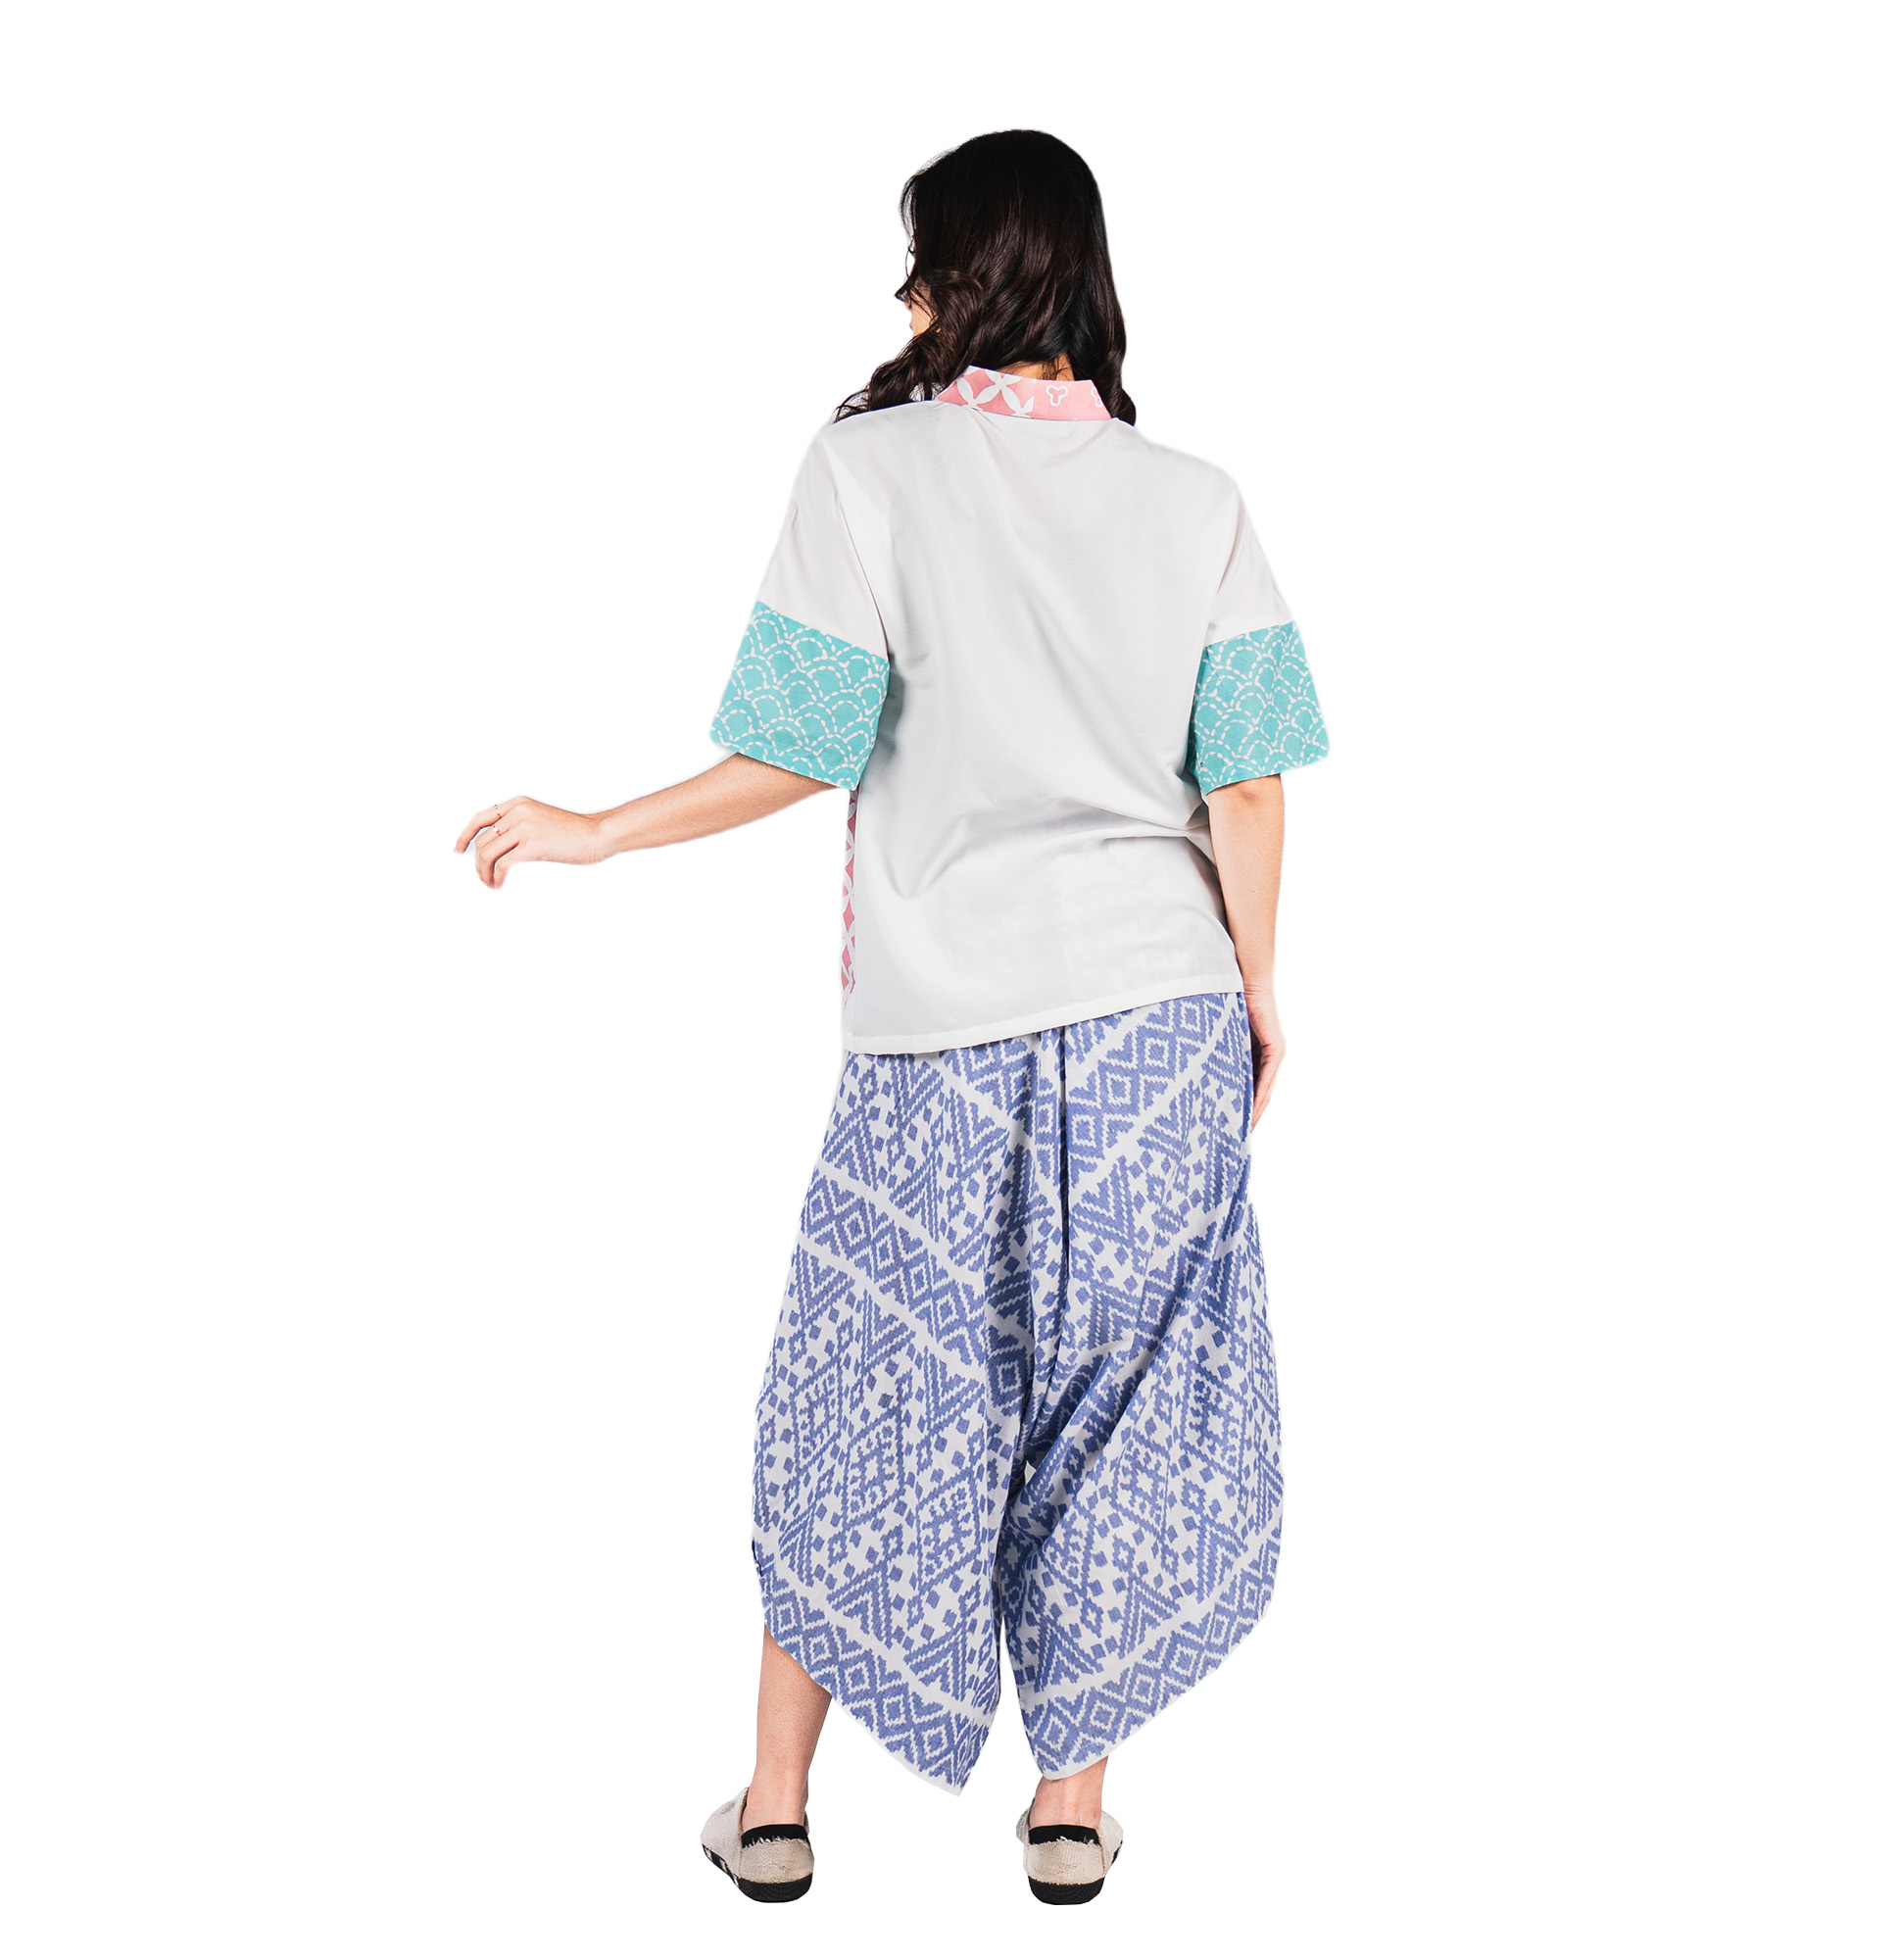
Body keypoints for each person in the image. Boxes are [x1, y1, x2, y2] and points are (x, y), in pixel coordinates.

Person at [456, 128, 1328, 1907]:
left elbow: (798, 744)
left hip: (942, 1027)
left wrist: (599, 829)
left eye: (921, 256)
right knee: (1117, 1395)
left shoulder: (867, 469)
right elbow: (1246, 788)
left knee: (873, 1387)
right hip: (1161, 1013)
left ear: (967, 273)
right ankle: (1069, 1814)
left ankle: (777, 1808)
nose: (903, 291)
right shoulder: (1199, 500)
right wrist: (1254, 986)